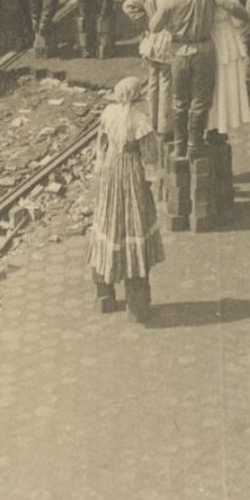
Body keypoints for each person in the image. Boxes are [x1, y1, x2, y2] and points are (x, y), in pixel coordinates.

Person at [85, 73, 163, 319]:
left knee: (108, 222)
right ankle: (138, 306)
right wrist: (154, 181)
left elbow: (101, 143)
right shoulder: (140, 120)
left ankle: (104, 295)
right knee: (133, 224)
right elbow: (150, 157)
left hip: (110, 170)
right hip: (131, 174)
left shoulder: (108, 113)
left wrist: (100, 166)